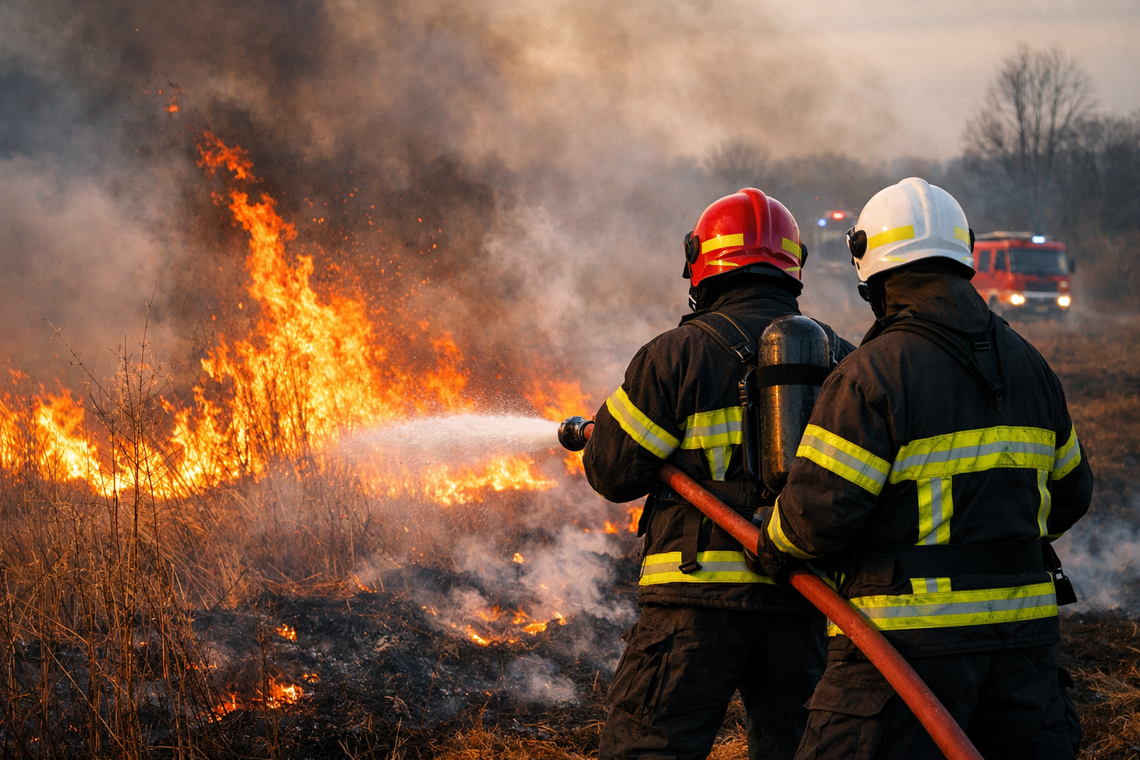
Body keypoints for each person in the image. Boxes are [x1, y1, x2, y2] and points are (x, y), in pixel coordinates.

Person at [753, 177, 1093, 759]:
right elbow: (1071, 494)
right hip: (1025, 654)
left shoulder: (872, 375)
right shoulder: (1032, 366)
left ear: (873, 274)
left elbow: (816, 520)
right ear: (964, 257)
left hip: (901, 654)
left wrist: (772, 540)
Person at [583, 188, 855, 760]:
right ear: (794, 264)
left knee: (650, 750)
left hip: (692, 598)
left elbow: (612, 471)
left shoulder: (674, 356)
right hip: (803, 599)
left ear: (701, 261)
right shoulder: (845, 360)